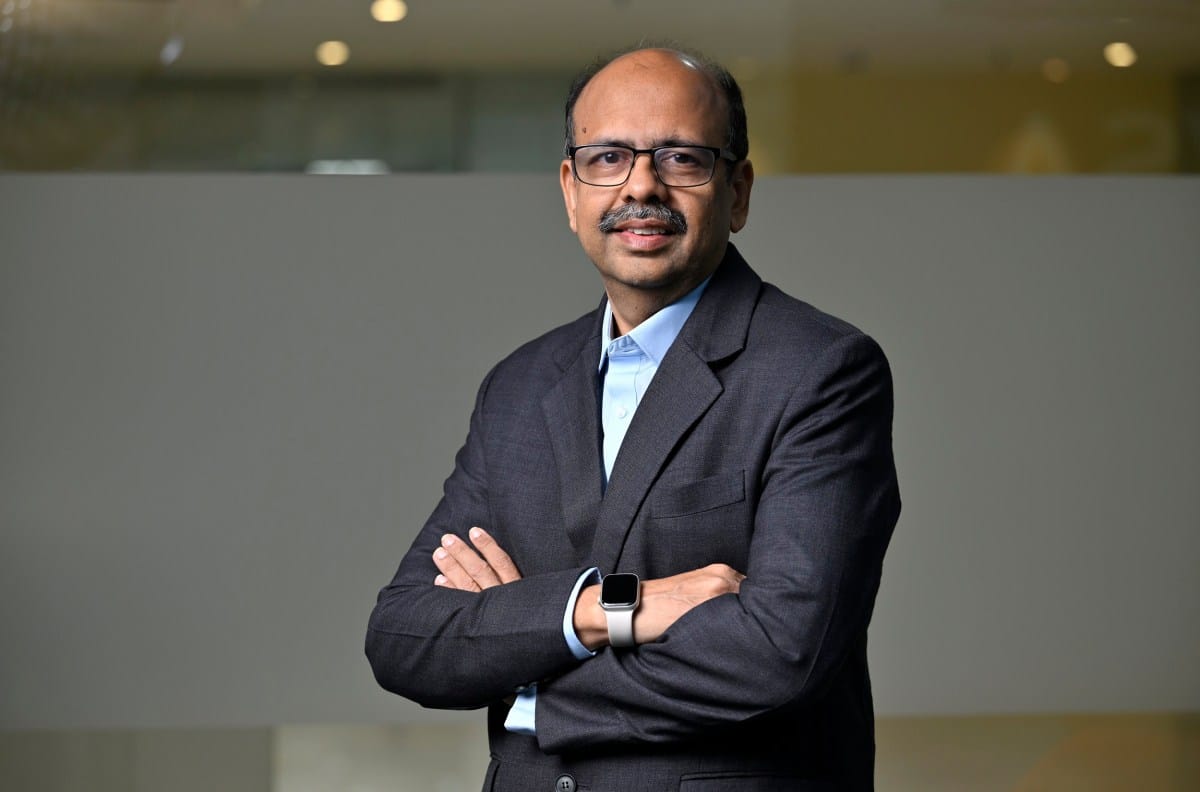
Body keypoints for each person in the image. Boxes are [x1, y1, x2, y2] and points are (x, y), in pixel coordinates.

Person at [366, 44, 900, 792]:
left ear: (739, 191)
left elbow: (782, 653)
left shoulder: (820, 372)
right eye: (608, 156)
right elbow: (405, 636)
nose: (640, 185)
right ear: (569, 189)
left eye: (682, 159)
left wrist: (525, 675)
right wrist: (618, 609)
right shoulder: (520, 385)